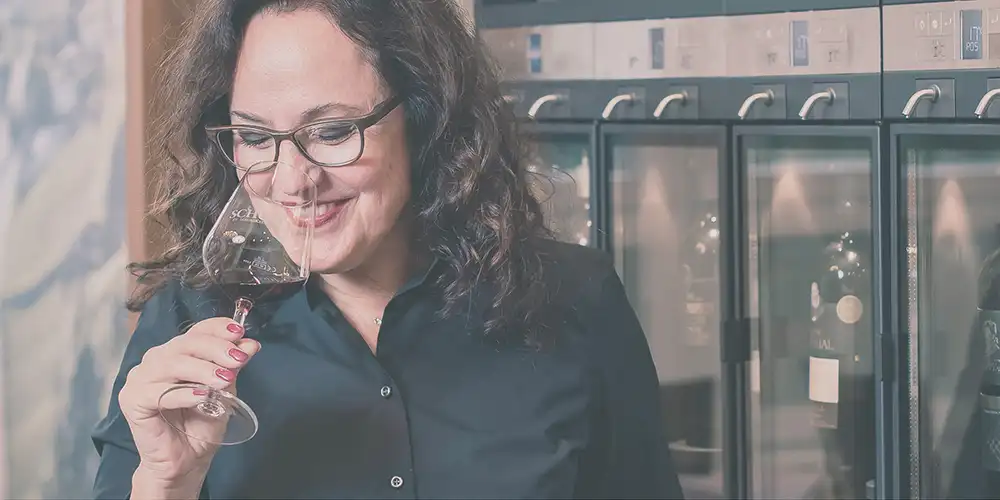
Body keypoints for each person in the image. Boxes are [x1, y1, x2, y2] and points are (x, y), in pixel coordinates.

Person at [92, 0, 683, 498]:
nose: (292, 180)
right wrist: (166, 482)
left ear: (424, 119)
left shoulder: (575, 299)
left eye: (332, 131)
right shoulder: (183, 321)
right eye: (254, 136)